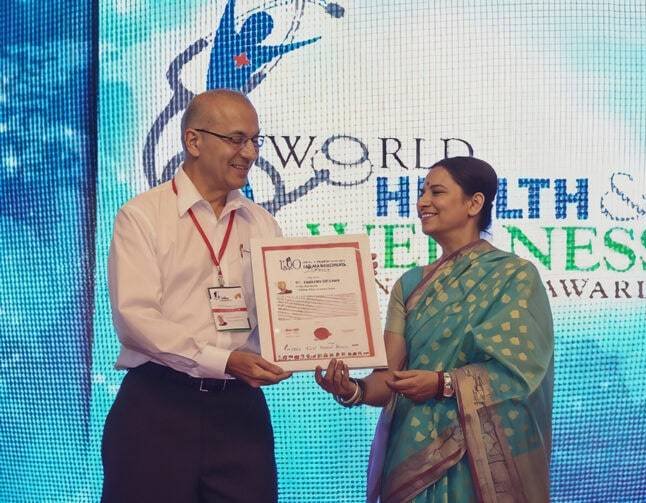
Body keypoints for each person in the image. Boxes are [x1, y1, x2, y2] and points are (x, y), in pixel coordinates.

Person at [316, 157, 554, 503]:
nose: (423, 201)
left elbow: (521, 372)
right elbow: (389, 378)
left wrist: (442, 383)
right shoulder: (409, 284)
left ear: (474, 203)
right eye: (422, 192)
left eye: (437, 192)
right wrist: (352, 389)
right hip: (413, 455)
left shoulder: (516, 276)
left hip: (482, 462)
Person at [102, 89, 292, 503]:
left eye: (256, 140)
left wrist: (324, 323)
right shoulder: (143, 216)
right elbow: (135, 319)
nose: (250, 152)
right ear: (193, 141)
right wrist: (222, 359)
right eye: (236, 139)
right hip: (158, 406)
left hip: (240, 410)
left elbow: (283, 315)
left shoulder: (262, 225)